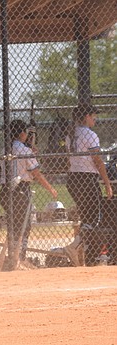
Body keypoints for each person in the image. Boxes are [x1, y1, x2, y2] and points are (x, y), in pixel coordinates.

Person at [4, 119, 57, 270]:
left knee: (14, 225)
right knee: (24, 226)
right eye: (25, 132)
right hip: (20, 190)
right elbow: (36, 173)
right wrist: (50, 188)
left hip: (5, 191)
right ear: (21, 133)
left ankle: (14, 257)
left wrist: (30, 151)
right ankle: (19, 258)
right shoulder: (24, 150)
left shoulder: (6, 148)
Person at [66, 102, 113, 266]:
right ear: (86, 116)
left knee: (86, 216)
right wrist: (107, 183)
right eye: (93, 115)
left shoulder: (70, 134)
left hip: (72, 179)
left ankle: (82, 250)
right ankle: (74, 246)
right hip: (87, 179)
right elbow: (98, 161)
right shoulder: (89, 134)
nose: (95, 118)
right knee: (94, 218)